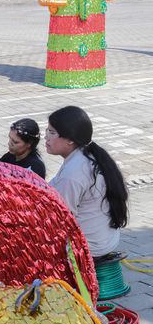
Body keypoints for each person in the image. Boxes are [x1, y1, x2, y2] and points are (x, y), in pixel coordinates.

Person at [46, 106, 128, 258]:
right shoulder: (84, 154)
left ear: (70, 139)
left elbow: (60, 217)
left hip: (89, 247)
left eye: (52, 132)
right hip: (105, 240)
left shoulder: (74, 172)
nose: (46, 137)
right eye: (47, 130)